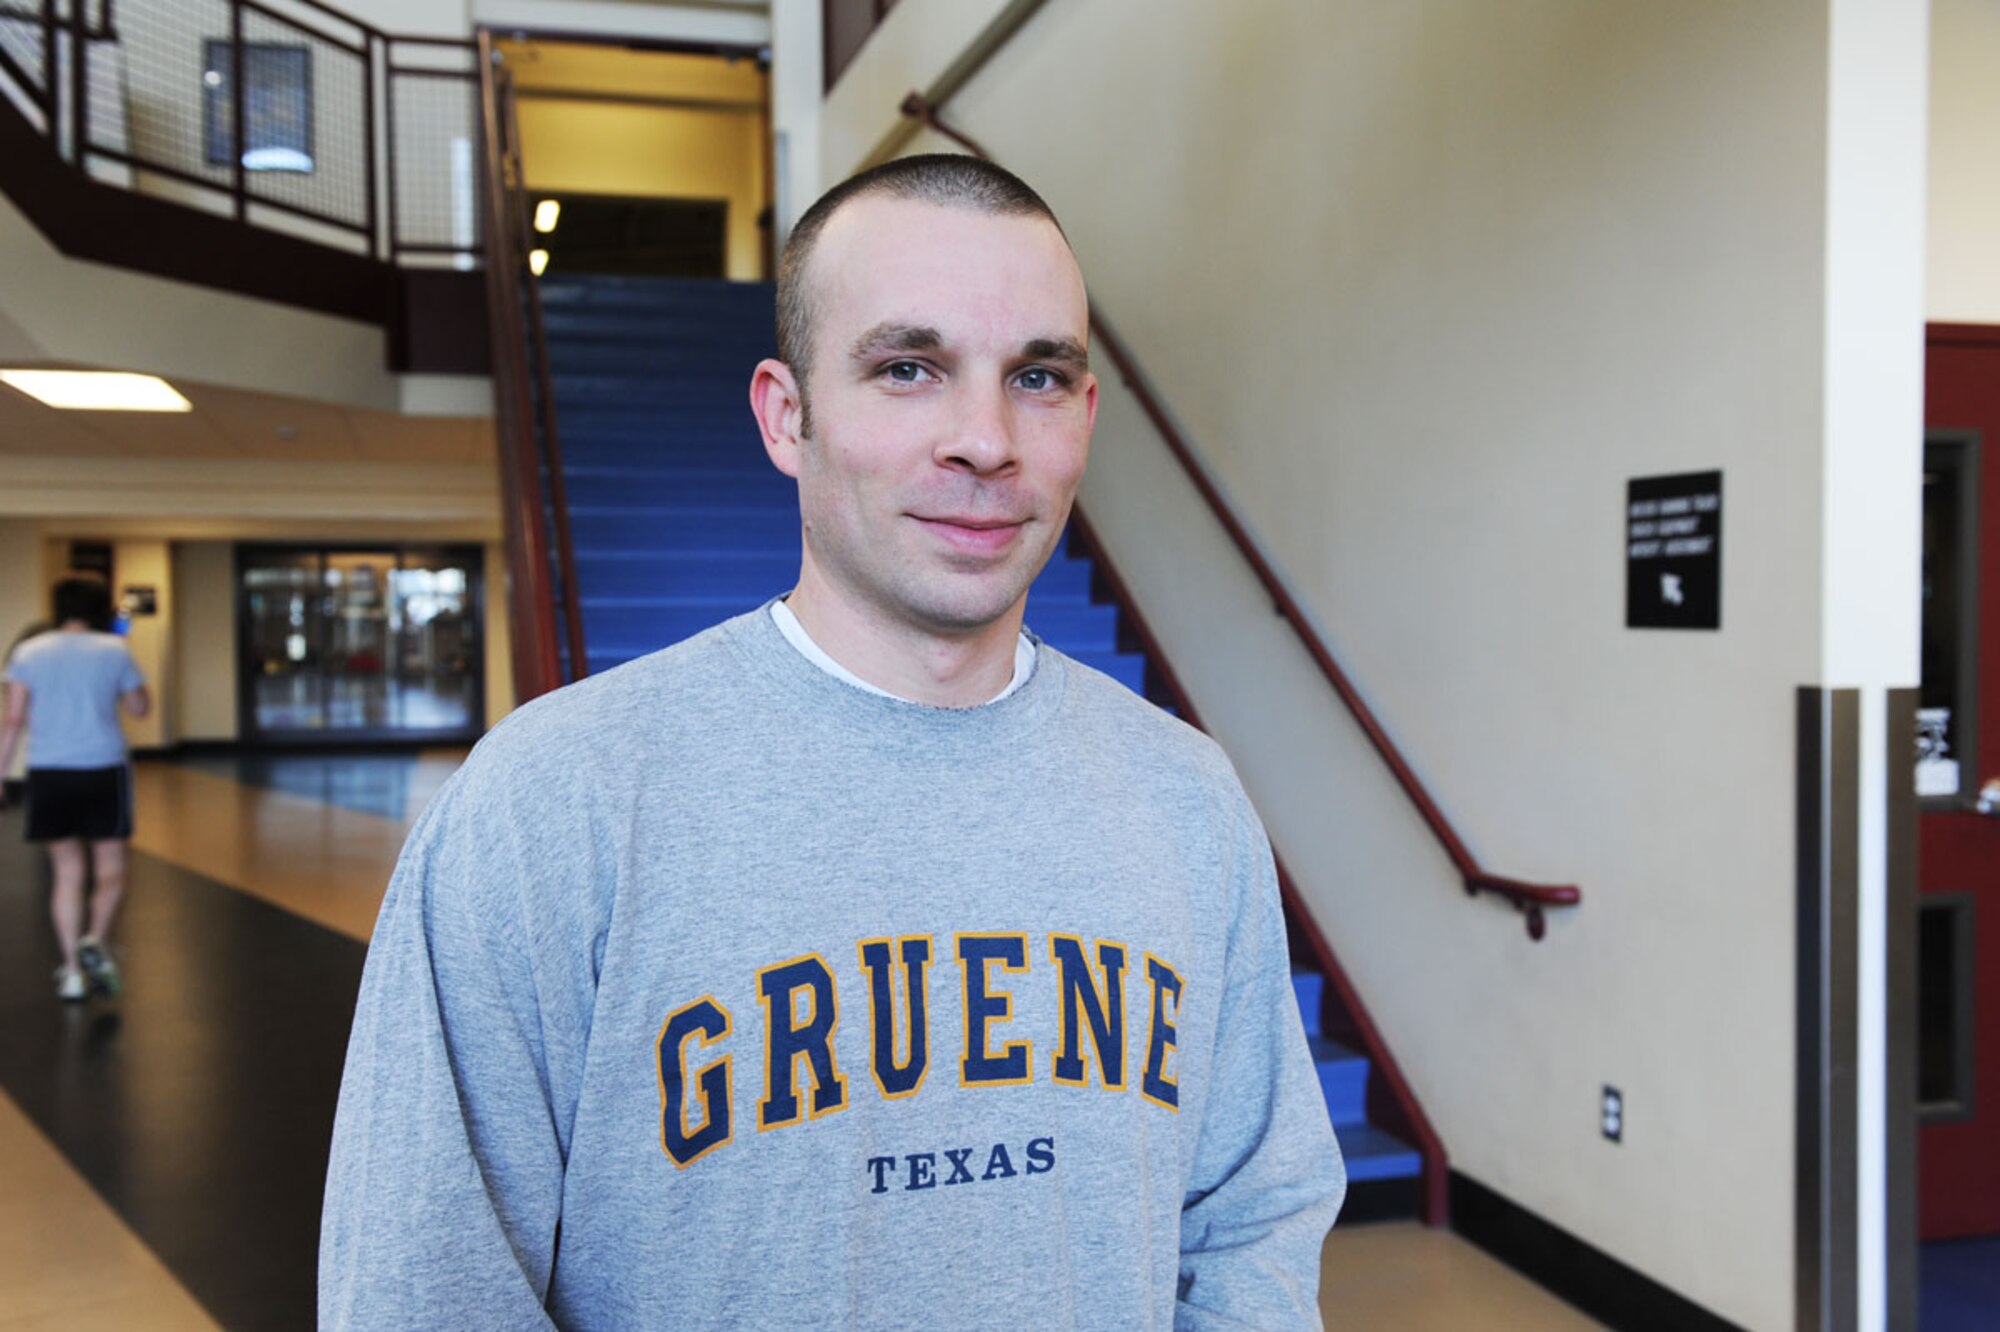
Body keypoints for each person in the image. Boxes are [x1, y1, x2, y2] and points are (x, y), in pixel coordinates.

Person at [320, 155, 1345, 1330]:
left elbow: (1254, 1216)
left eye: (1039, 377)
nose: (986, 439)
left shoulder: (1188, 796)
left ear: (1084, 418)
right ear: (787, 416)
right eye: (907, 368)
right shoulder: (546, 806)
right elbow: (425, 1295)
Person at [0, 573, 150, 1002]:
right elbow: (140, 709)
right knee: (112, 872)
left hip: (48, 770)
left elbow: (12, 720)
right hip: (104, 769)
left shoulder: (29, 652)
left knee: (67, 873)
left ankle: (70, 971)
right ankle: (94, 940)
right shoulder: (115, 650)